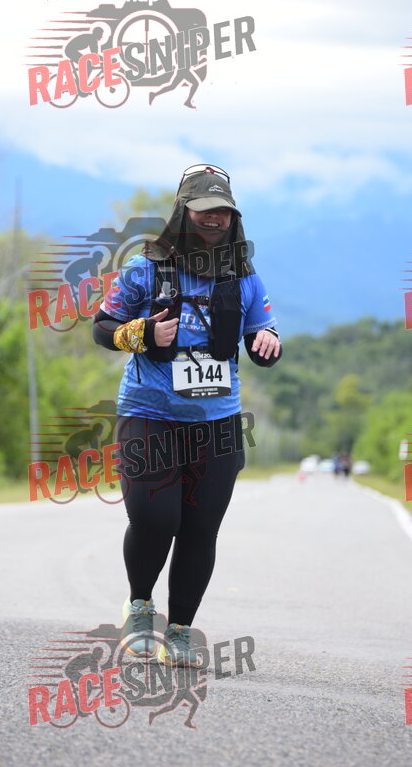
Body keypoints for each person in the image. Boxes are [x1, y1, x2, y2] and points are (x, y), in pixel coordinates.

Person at [92, 164, 282, 667]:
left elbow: (262, 336)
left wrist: (268, 343)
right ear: (183, 213)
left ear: (233, 218)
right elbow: (102, 326)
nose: (214, 219)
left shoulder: (245, 277)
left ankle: (179, 630)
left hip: (217, 423)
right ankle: (140, 606)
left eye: (223, 212)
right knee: (156, 518)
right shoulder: (144, 269)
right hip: (149, 412)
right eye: (203, 211)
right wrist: (142, 333)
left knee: (200, 528)